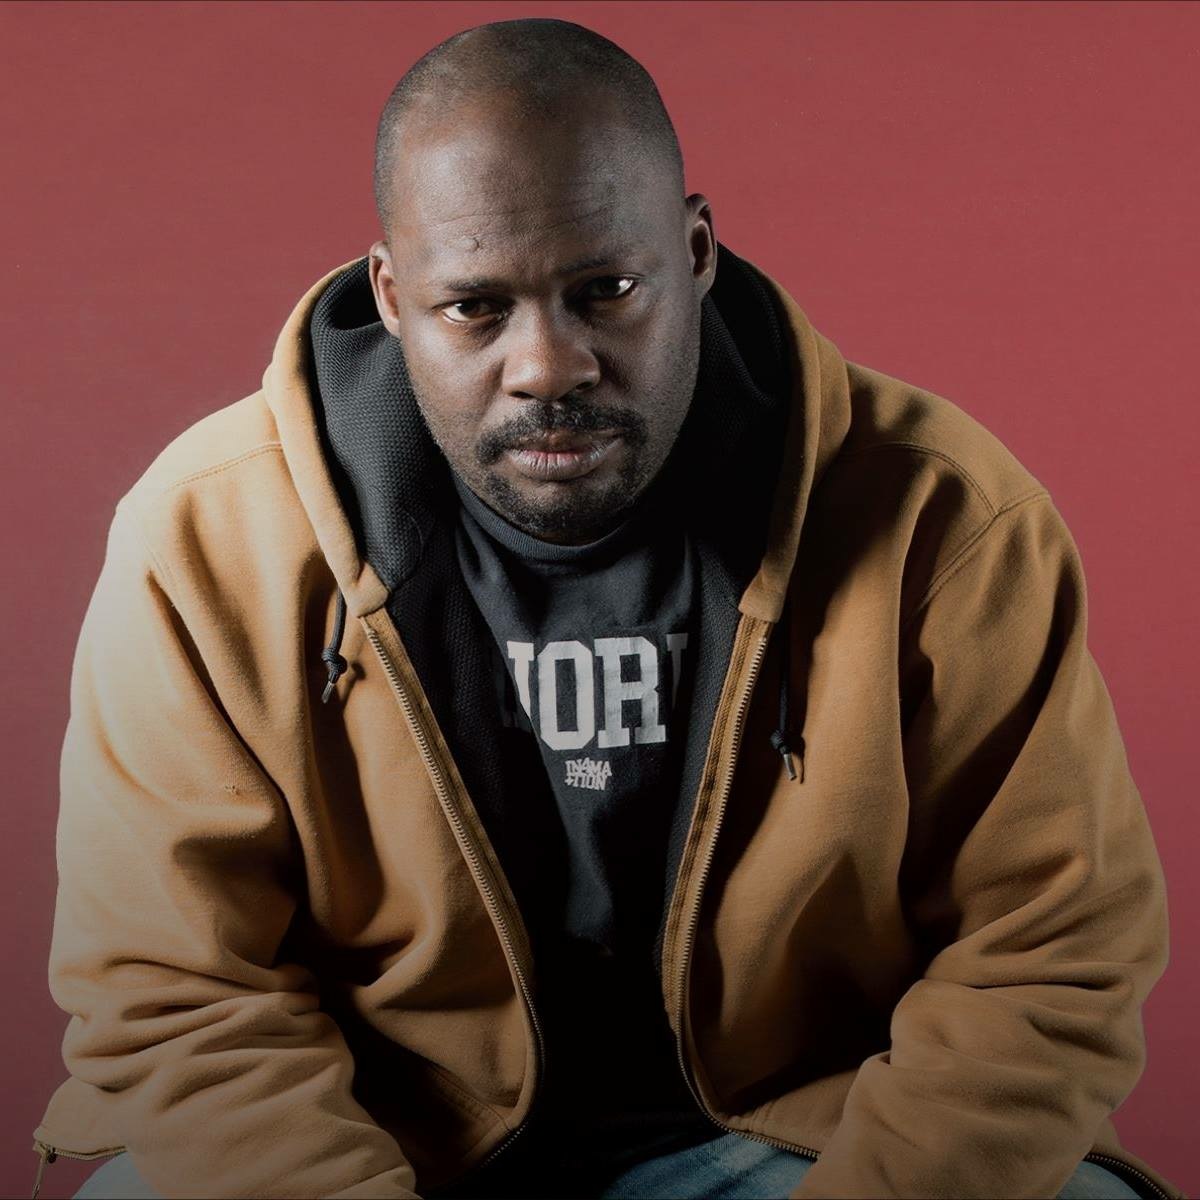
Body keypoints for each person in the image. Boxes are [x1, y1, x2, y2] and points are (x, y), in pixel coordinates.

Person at [30, 17, 1181, 1200]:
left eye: (607, 290)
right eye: (474, 308)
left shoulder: (943, 517)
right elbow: (179, 991)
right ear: (392, 296)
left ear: (696, 252)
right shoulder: (210, 541)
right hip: (392, 1141)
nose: (548, 365)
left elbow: (1048, 954)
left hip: (801, 1140)